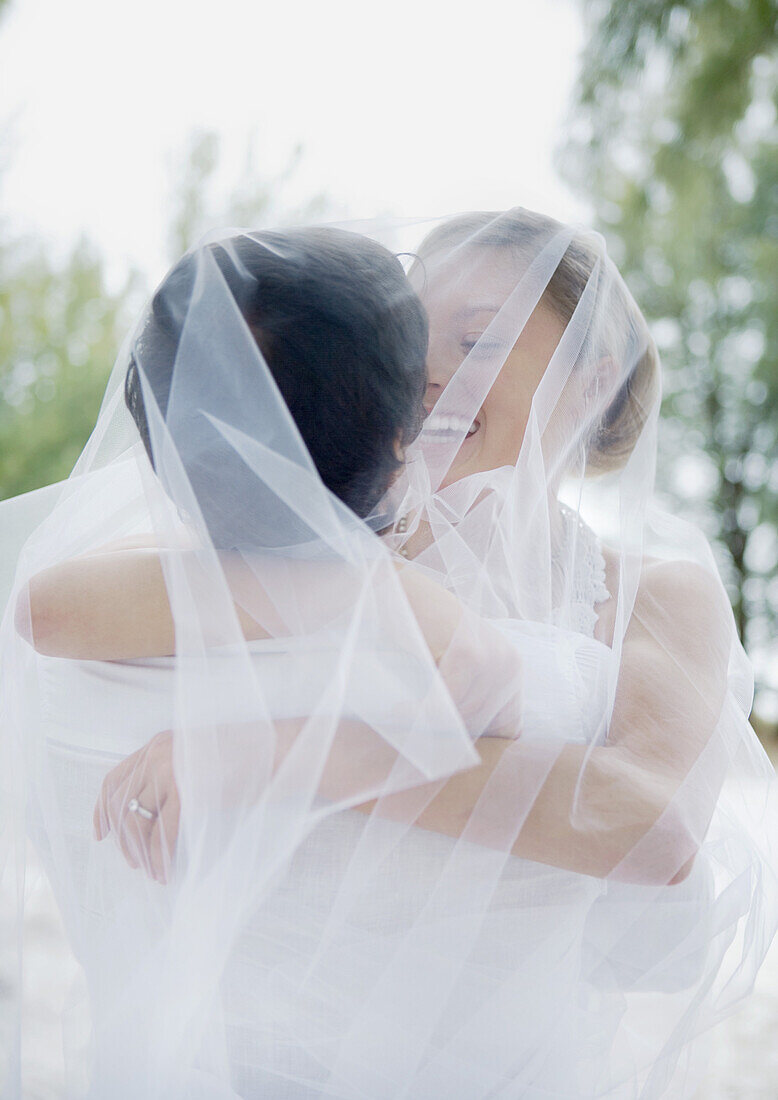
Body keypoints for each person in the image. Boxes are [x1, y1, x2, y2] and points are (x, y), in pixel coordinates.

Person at [2, 210, 776, 1099]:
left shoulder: (658, 595)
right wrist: (353, 577)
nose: (430, 375)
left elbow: (653, 822)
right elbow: (52, 606)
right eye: (412, 337)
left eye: (478, 340)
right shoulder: (307, 557)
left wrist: (278, 749)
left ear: (593, 381)